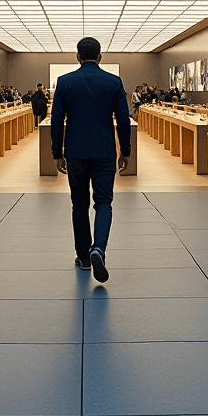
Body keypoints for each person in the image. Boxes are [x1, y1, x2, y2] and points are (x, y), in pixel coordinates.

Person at [51, 37, 131, 283]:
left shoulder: (64, 82)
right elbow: (124, 120)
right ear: (100, 57)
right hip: (104, 151)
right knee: (104, 202)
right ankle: (99, 248)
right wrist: (125, 151)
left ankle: (84, 258)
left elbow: (56, 121)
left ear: (77, 56)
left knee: (79, 204)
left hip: (75, 151)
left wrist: (57, 152)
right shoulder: (113, 82)